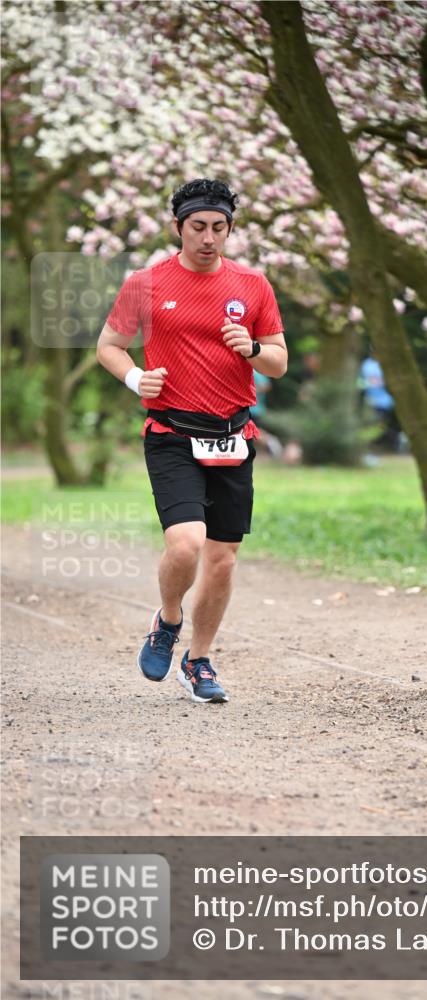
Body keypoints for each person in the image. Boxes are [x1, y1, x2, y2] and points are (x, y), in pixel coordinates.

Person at [96, 178, 288, 704]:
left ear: (230, 229)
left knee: (222, 558)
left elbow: (279, 360)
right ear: (178, 227)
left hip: (233, 433)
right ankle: (168, 619)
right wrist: (137, 379)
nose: (208, 238)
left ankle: (198, 661)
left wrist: (250, 347)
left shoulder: (253, 286)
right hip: (172, 432)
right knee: (186, 543)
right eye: (198, 227)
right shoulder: (147, 283)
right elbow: (109, 346)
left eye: (219, 228)